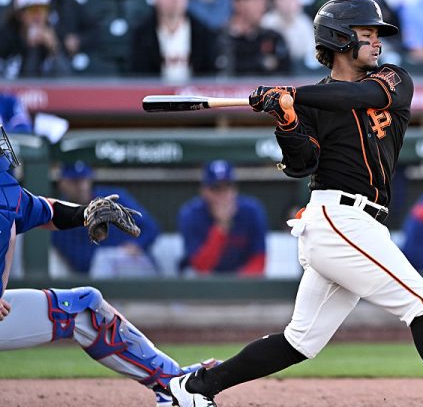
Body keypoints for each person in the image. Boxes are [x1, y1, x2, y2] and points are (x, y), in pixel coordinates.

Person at [168, 0, 423, 407]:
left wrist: (292, 94)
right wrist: (286, 118)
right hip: (337, 218)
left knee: (300, 341)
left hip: (359, 223)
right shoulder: (309, 104)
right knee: (422, 302)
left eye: (377, 33)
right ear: (339, 38)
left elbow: (353, 97)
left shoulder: (393, 79)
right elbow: (301, 163)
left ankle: (192, 390)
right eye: (366, 33)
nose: (376, 41)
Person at [0, 124, 217, 407]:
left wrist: (85, 213)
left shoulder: (7, 193)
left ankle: (173, 384)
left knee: (83, 307)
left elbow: (47, 210)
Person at [51, 161, 160, 278]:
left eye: (84, 180)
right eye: (75, 182)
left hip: (132, 263)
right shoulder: (59, 214)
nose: (82, 187)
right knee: (103, 260)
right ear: (62, 184)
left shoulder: (113, 198)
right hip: (98, 273)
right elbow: (81, 262)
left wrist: (136, 245)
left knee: (107, 260)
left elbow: (151, 228)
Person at [177, 160, 269, 277]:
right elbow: (200, 266)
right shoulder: (190, 214)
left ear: (235, 190)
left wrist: (236, 285)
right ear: (204, 191)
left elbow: (259, 260)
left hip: (242, 280)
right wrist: (221, 227)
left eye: (227, 188)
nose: (223, 195)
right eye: (216, 188)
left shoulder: (251, 210)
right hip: (203, 282)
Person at [129, 0, 218, 81]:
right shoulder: (142, 33)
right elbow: (138, 75)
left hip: (192, 94)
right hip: (155, 94)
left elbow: (209, 74)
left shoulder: (203, 32)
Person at [0, 0, 72, 78]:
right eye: (32, 9)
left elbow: (68, 83)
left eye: (43, 9)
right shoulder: (5, 36)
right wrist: (28, 47)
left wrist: (54, 50)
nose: (38, 15)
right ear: (20, 14)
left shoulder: (56, 34)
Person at [219, 0, 290, 76]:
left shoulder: (274, 38)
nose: (262, 4)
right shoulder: (220, 39)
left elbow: (286, 79)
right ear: (237, 2)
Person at [260, 0, 316, 65]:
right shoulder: (266, 22)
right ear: (275, 1)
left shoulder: (304, 22)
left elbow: (312, 52)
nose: (289, 3)